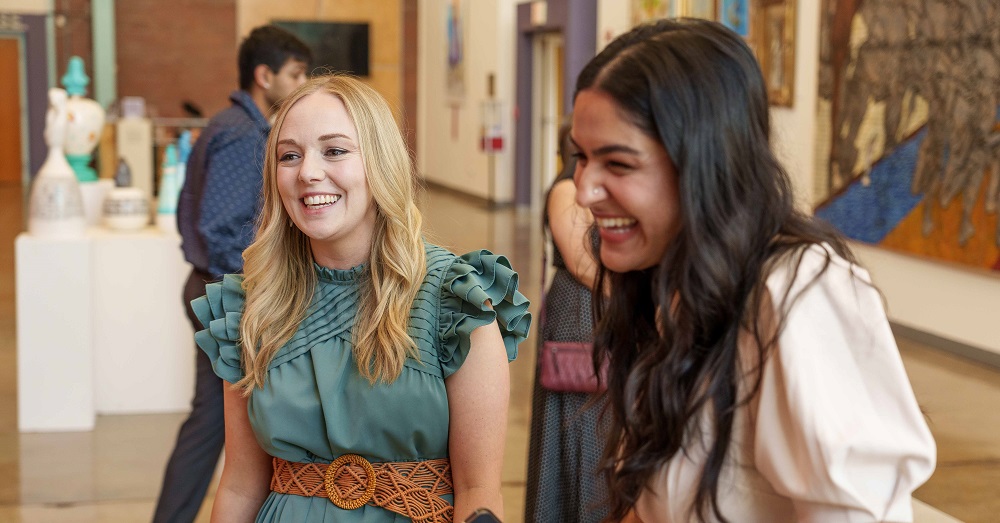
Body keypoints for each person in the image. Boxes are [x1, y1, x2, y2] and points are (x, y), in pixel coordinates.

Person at [570, 19, 936, 522]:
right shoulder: (673, 286)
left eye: (618, 164)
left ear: (704, 162)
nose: (583, 189)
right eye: (580, 157)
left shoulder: (794, 292)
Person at [193, 74, 531, 522]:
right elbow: (239, 486)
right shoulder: (252, 307)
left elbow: (478, 490)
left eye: (334, 150)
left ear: (381, 161)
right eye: (289, 155)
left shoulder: (455, 301)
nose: (308, 172)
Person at [155, 25, 311, 523]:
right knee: (228, 423)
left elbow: (191, 212)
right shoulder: (245, 134)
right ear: (265, 77)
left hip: (213, 287)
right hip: (225, 292)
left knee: (215, 423)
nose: (303, 82)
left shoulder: (227, 125)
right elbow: (220, 228)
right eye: (296, 74)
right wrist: (248, 301)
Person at [524, 121, 609, 523]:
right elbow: (581, 263)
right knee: (577, 424)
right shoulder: (564, 191)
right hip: (578, 312)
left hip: (601, 311)